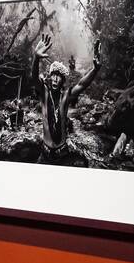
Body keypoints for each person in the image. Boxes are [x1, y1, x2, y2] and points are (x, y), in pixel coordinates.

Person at [31, 34, 101, 166]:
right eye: (54, 75)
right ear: (50, 77)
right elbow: (34, 78)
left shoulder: (65, 96)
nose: (56, 79)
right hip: (45, 151)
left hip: (63, 152)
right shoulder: (44, 93)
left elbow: (81, 85)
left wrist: (95, 70)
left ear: (63, 80)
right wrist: (36, 58)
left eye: (59, 76)